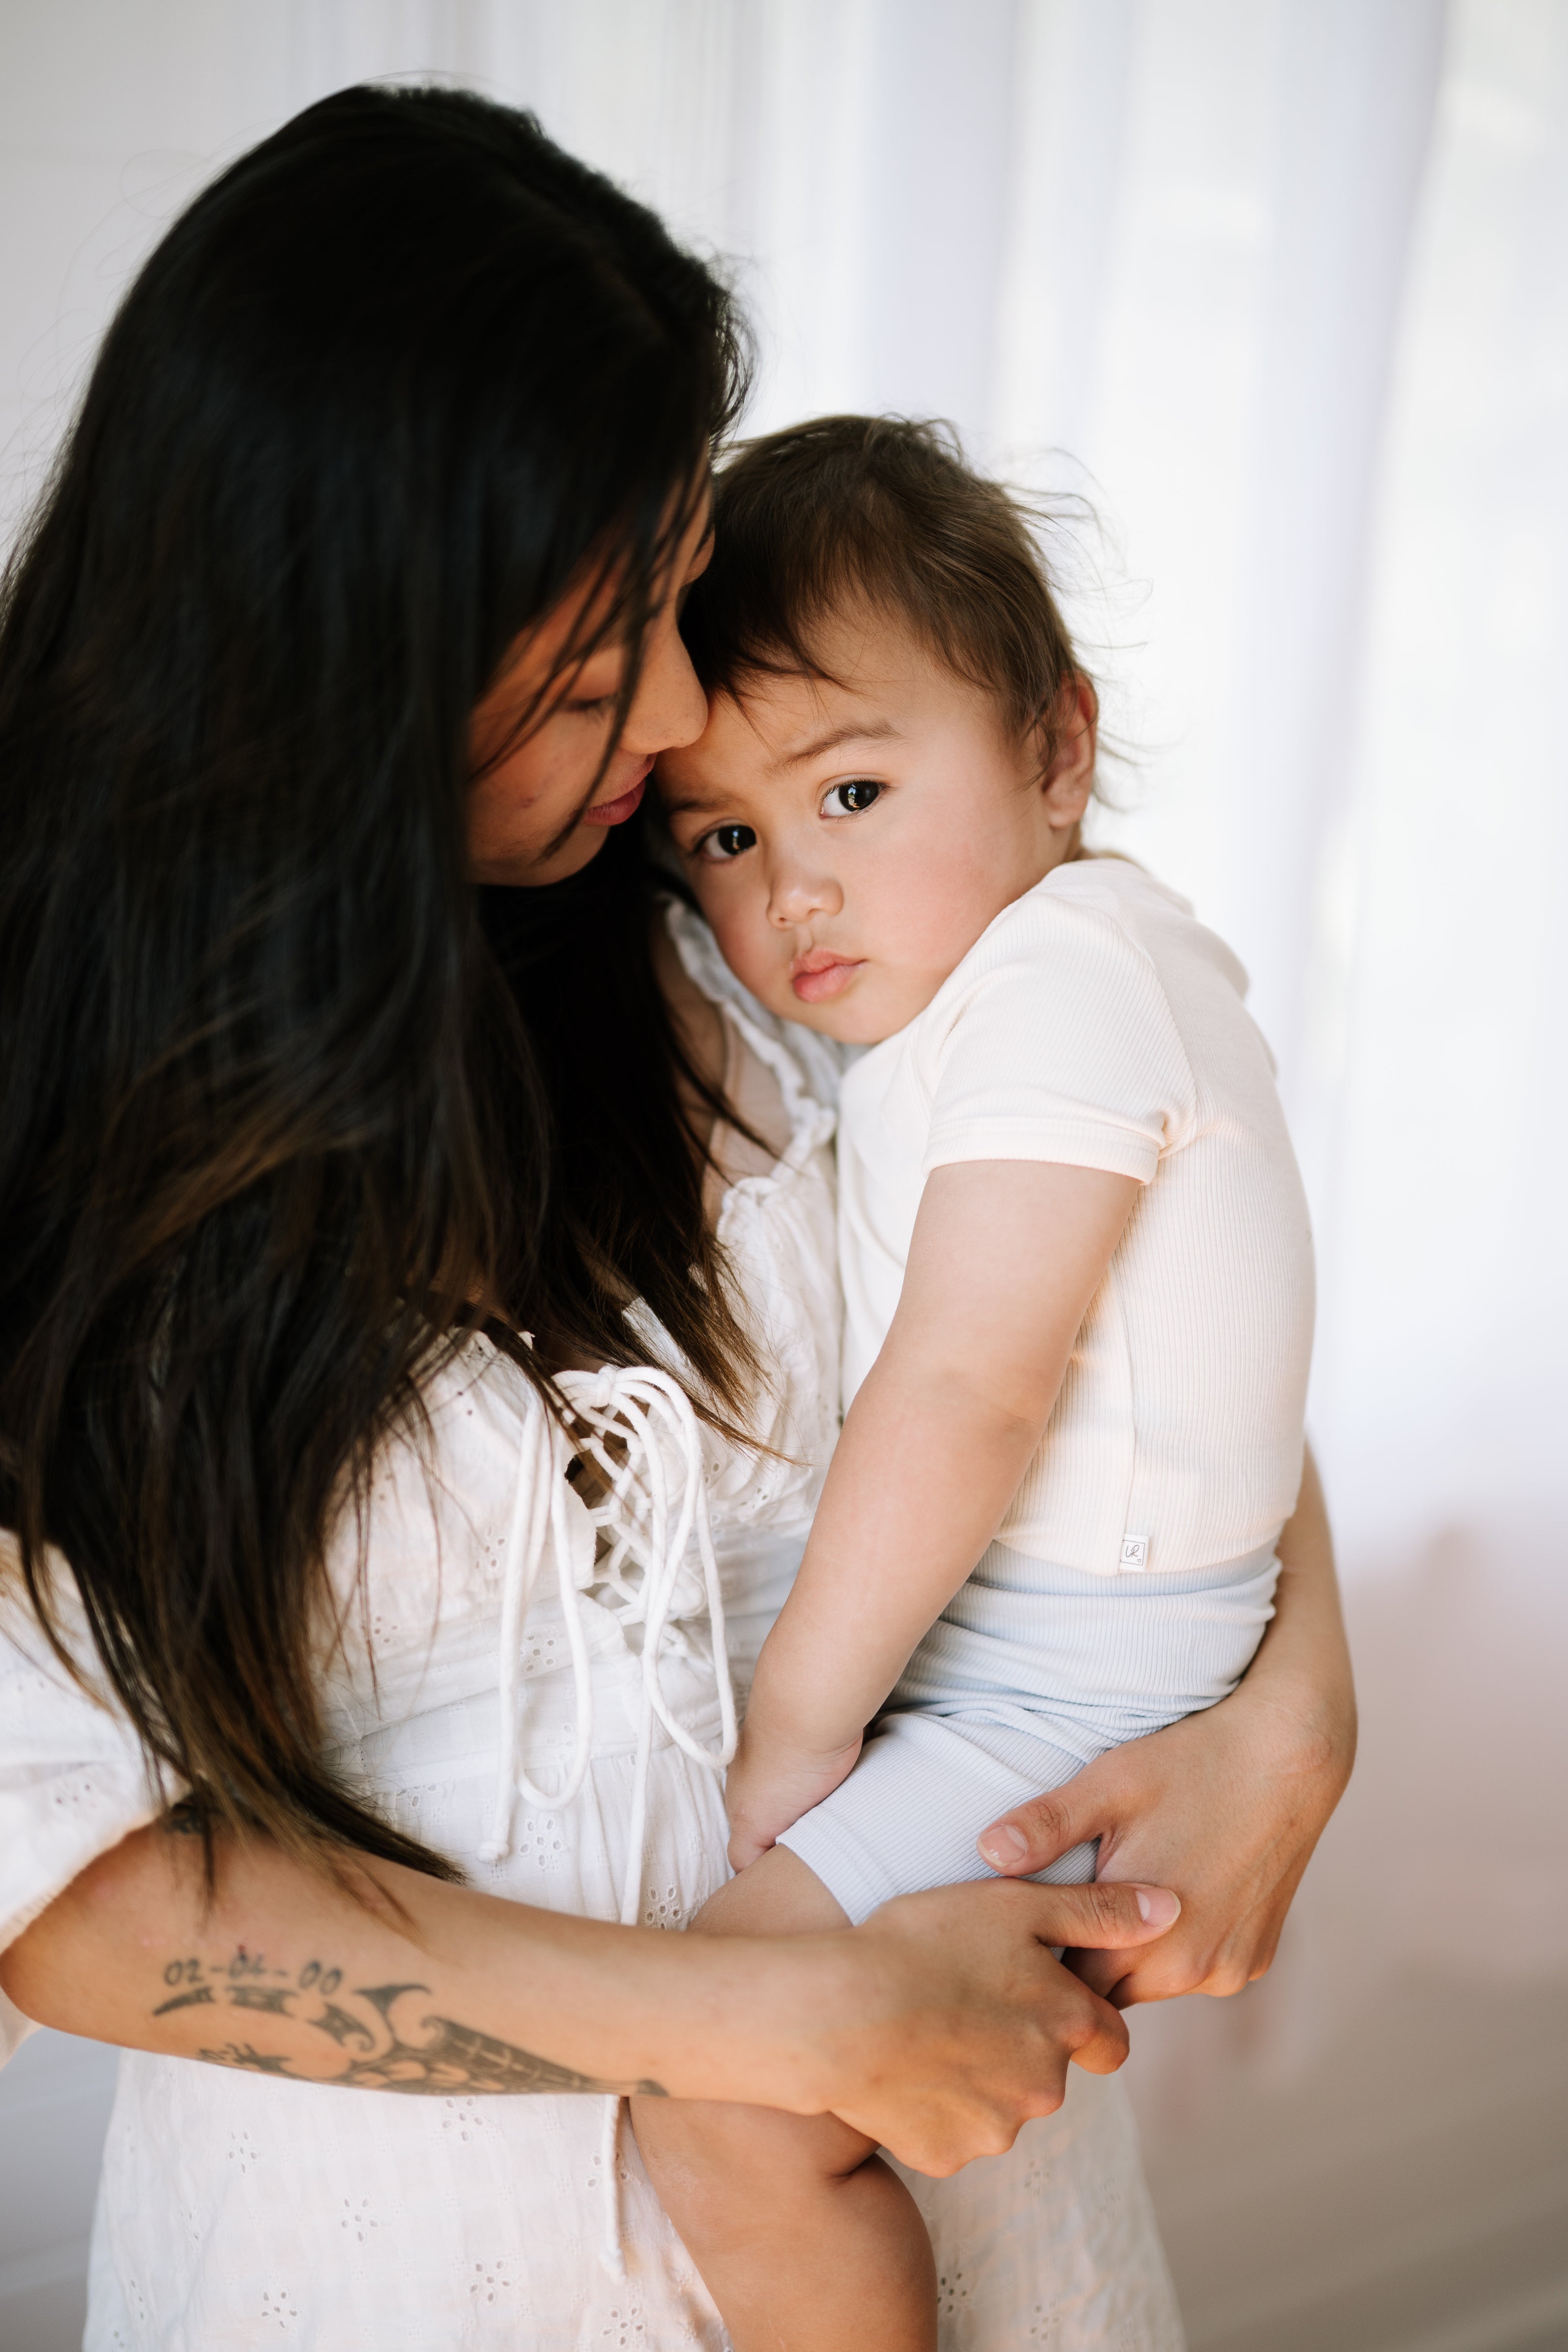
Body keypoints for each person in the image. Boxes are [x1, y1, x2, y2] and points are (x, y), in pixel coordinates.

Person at [0, 88, 1353, 2352]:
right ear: (344, 667)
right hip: (414, 2265)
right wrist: (770, 2027)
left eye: (667, 589)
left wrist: (1293, 1713)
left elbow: (1099, 1283)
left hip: (958, 2183)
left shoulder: (730, 931)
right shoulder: (58, 1103)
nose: (679, 702)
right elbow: (55, 1889)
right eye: (584, 656)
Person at [633, 416, 1323, 2349]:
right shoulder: (1016, 987)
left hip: (1068, 1678)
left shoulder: (1057, 973)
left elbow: (966, 1389)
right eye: (725, 840)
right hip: (1066, 1648)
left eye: (851, 792)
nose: (793, 891)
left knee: (721, 2094)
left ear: (1055, 746)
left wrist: (797, 1727)